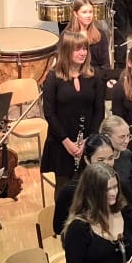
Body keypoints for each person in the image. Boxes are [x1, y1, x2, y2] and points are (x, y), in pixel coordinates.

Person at [42, 29, 105, 178]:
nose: (83, 53)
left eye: (85, 49)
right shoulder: (53, 77)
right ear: (66, 51)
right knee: (64, 190)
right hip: (61, 141)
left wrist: (87, 140)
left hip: (86, 140)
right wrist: (67, 142)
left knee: (88, 188)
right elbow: (49, 113)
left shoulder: (94, 75)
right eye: (78, 49)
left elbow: (99, 110)